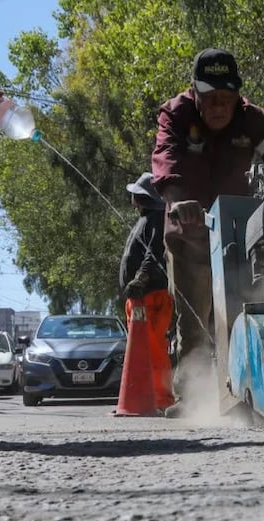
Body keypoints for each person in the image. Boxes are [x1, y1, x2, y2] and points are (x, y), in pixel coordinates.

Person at [151, 47, 264, 418]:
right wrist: (177, 201)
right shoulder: (175, 114)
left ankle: (246, 383)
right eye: (211, 98)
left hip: (238, 228)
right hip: (190, 230)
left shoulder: (253, 120)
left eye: (227, 98)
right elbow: (165, 156)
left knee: (247, 301)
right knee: (195, 312)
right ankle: (194, 397)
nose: (219, 107)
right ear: (195, 93)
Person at [120, 172, 175, 413]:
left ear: (140, 197)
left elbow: (154, 253)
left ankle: (161, 399)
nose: (132, 198)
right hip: (145, 295)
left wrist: (141, 279)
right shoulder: (151, 219)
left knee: (152, 347)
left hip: (150, 295)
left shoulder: (154, 219)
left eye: (135, 194)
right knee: (146, 347)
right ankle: (149, 397)